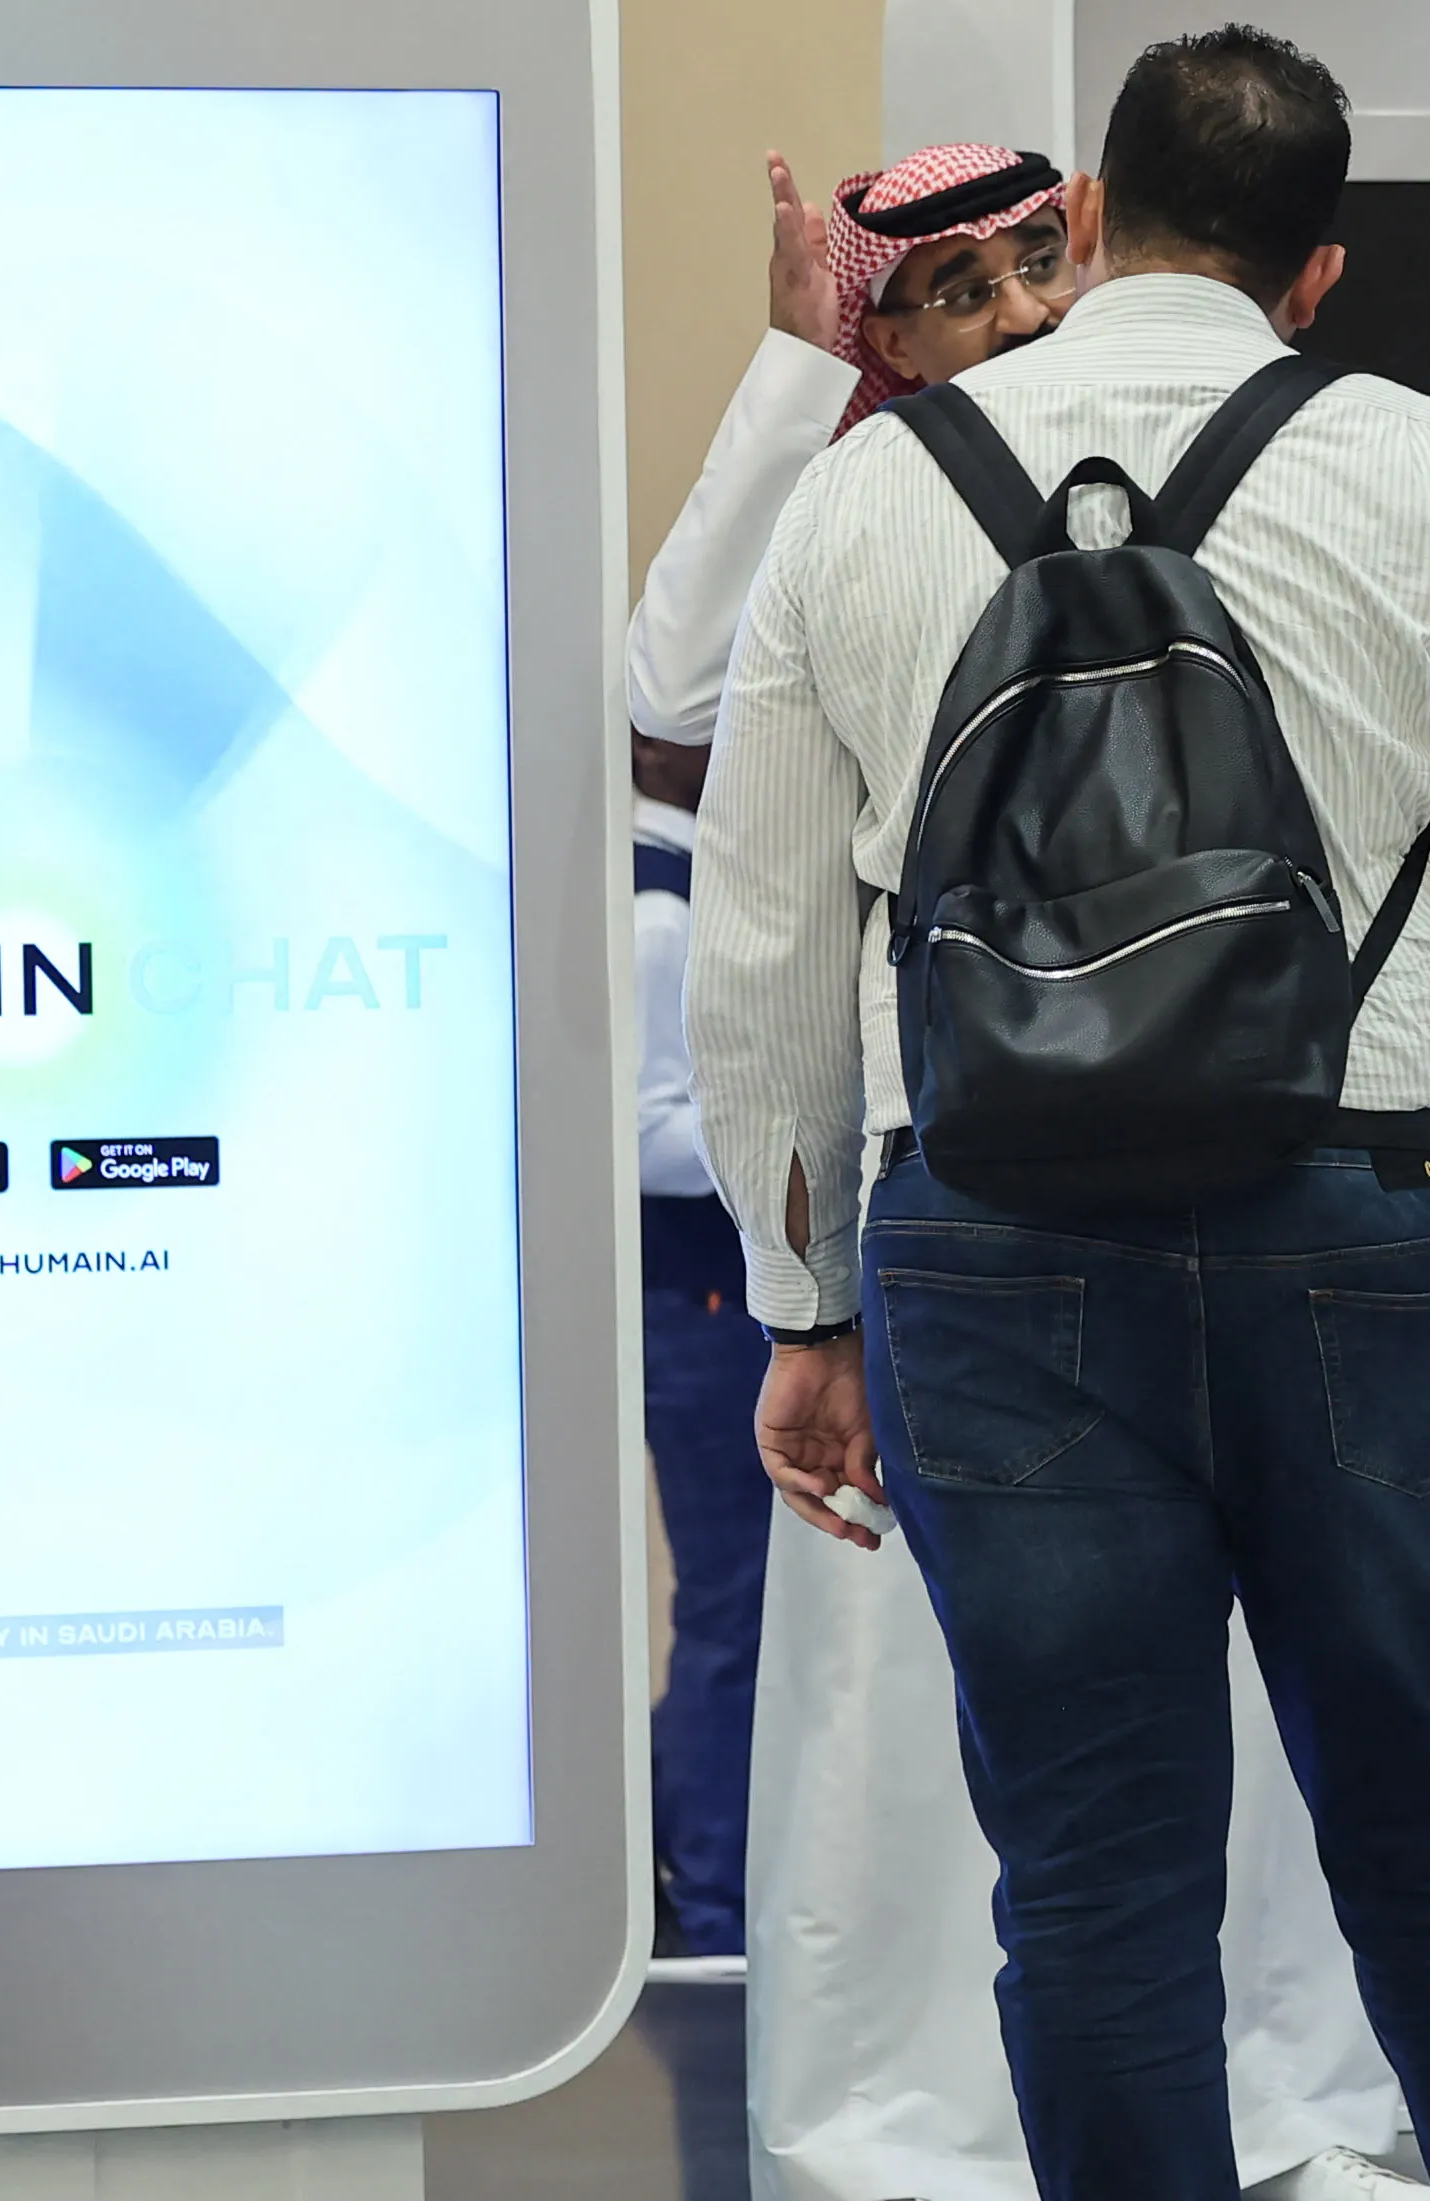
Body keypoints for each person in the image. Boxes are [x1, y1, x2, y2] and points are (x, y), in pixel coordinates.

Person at [689, 27, 1430, 2201]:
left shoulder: (869, 492)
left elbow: (759, 948)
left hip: (993, 1248)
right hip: (1377, 1222)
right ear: (1313, 275)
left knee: (1090, 1875)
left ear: (1084, 219)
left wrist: (807, 1303)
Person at [628, 144, 1413, 2201]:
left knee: (1233, 1693)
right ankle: (942, 2131)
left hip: (1241, 1161)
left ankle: (1268, 2107)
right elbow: (671, 695)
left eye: (1028, 266)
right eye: (950, 290)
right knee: (927, 1705)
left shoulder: (1199, 448)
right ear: (882, 333)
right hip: (953, 1204)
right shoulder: (863, 501)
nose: (1007, 314)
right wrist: (793, 370)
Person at [632, 714, 776, 1962]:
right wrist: (788, 1135)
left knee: (736, 1604)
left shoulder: (677, 882)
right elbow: (639, 1138)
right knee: (734, 1604)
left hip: (709, 1303)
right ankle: (718, 1901)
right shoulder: (654, 907)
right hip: (700, 1303)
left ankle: (712, 1877)